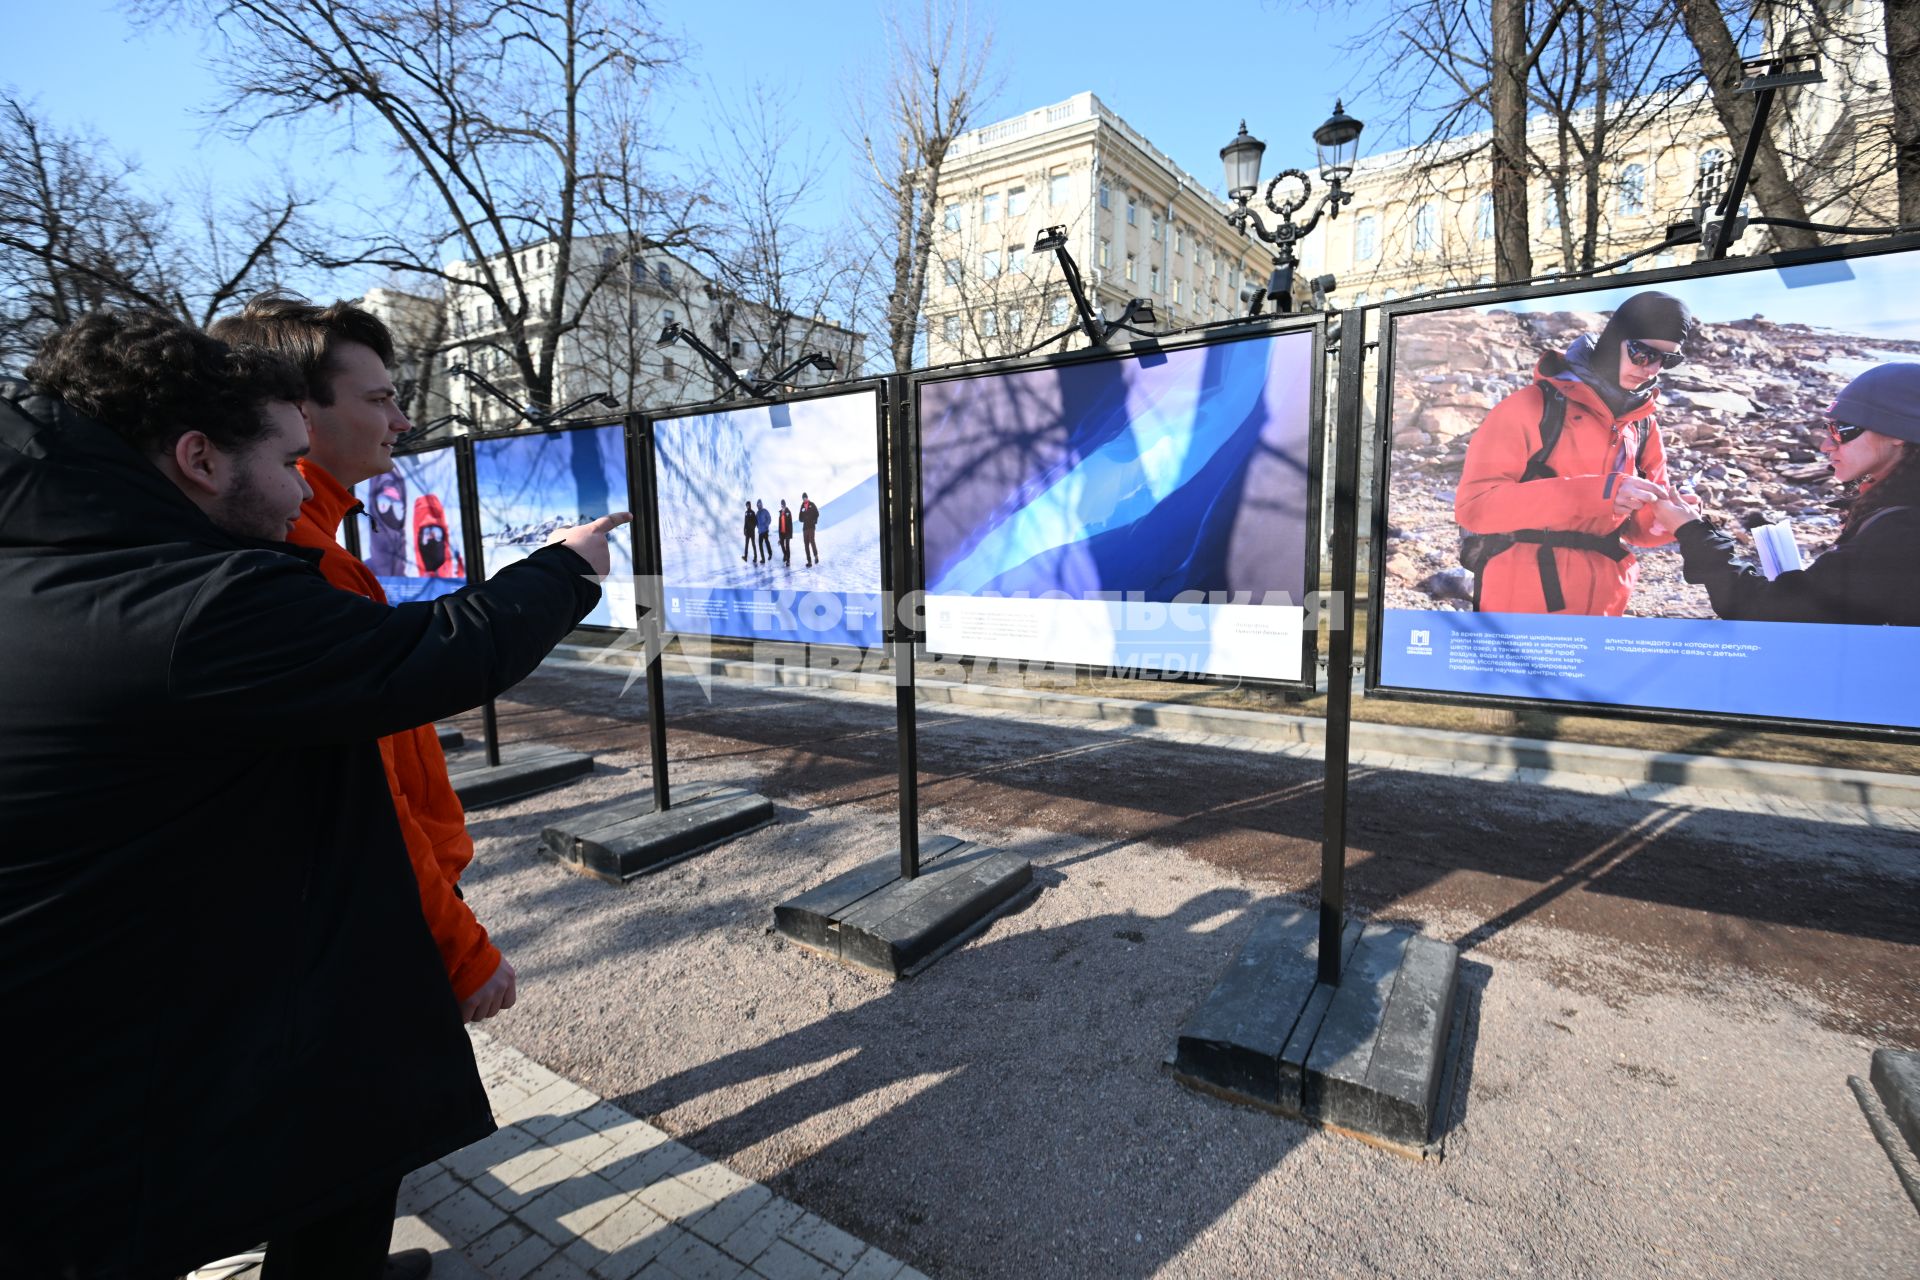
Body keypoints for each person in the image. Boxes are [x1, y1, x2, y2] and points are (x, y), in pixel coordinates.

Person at [0, 309, 625, 1280]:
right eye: (288, 459)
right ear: (200, 457)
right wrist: (567, 566)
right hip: (115, 1067)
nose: (301, 486)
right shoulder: (190, 605)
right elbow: (429, 664)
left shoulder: (60, 559)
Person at [211, 294, 514, 1044]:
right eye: (380, 400)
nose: (402, 421)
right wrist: (463, 949)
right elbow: (372, 799)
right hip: (381, 922)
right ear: (299, 416)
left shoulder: (320, 546)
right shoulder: (303, 567)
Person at [1455, 290, 1691, 615]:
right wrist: (1600, 493)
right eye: (1641, 353)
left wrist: (1671, 518)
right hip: (1521, 603)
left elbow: (1638, 531)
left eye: (1667, 359)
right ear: (1614, 341)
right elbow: (1475, 508)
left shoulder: (1643, 425)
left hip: (1604, 605)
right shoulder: (1531, 406)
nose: (1652, 369)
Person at [1649, 362, 1920, 625]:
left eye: (1842, 431)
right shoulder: (1898, 507)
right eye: (1828, 429)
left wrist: (1692, 531)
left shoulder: (1901, 532)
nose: (1826, 444)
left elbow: (1764, 611)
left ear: (1897, 433)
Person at [799, 491, 820, 566]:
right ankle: (809, 561)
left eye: (805, 498)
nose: (804, 499)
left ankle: (816, 556)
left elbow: (817, 513)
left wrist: (814, 521)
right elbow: (800, 518)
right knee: (806, 544)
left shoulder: (812, 504)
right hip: (805, 528)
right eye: (803, 498)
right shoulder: (802, 507)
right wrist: (804, 519)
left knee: (812, 541)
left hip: (811, 527)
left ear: (807, 498)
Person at [778, 498, 794, 566]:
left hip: (787, 532)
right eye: (782, 505)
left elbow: (790, 523)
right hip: (782, 532)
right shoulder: (780, 513)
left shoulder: (788, 512)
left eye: (783, 504)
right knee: (782, 544)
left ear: (785, 504)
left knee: (787, 546)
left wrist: (790, 534)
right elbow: (780, 524)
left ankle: (788, 560)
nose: (782, 506)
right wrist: (779, 536)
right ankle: (785, 555)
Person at [756, 498, 773, 563]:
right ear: (757, 505)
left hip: (765, 530)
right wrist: (757, 526)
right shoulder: (757, 513)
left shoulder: (765, 511)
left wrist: (766, 524)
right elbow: (756, 521)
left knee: (766, 541)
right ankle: (763, 559)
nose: (759, 505)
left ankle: (770, 553)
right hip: (760, 531)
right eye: (758, 504)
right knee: (760, 545)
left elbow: (769, 518)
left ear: (761, 504)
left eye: (760, 504)